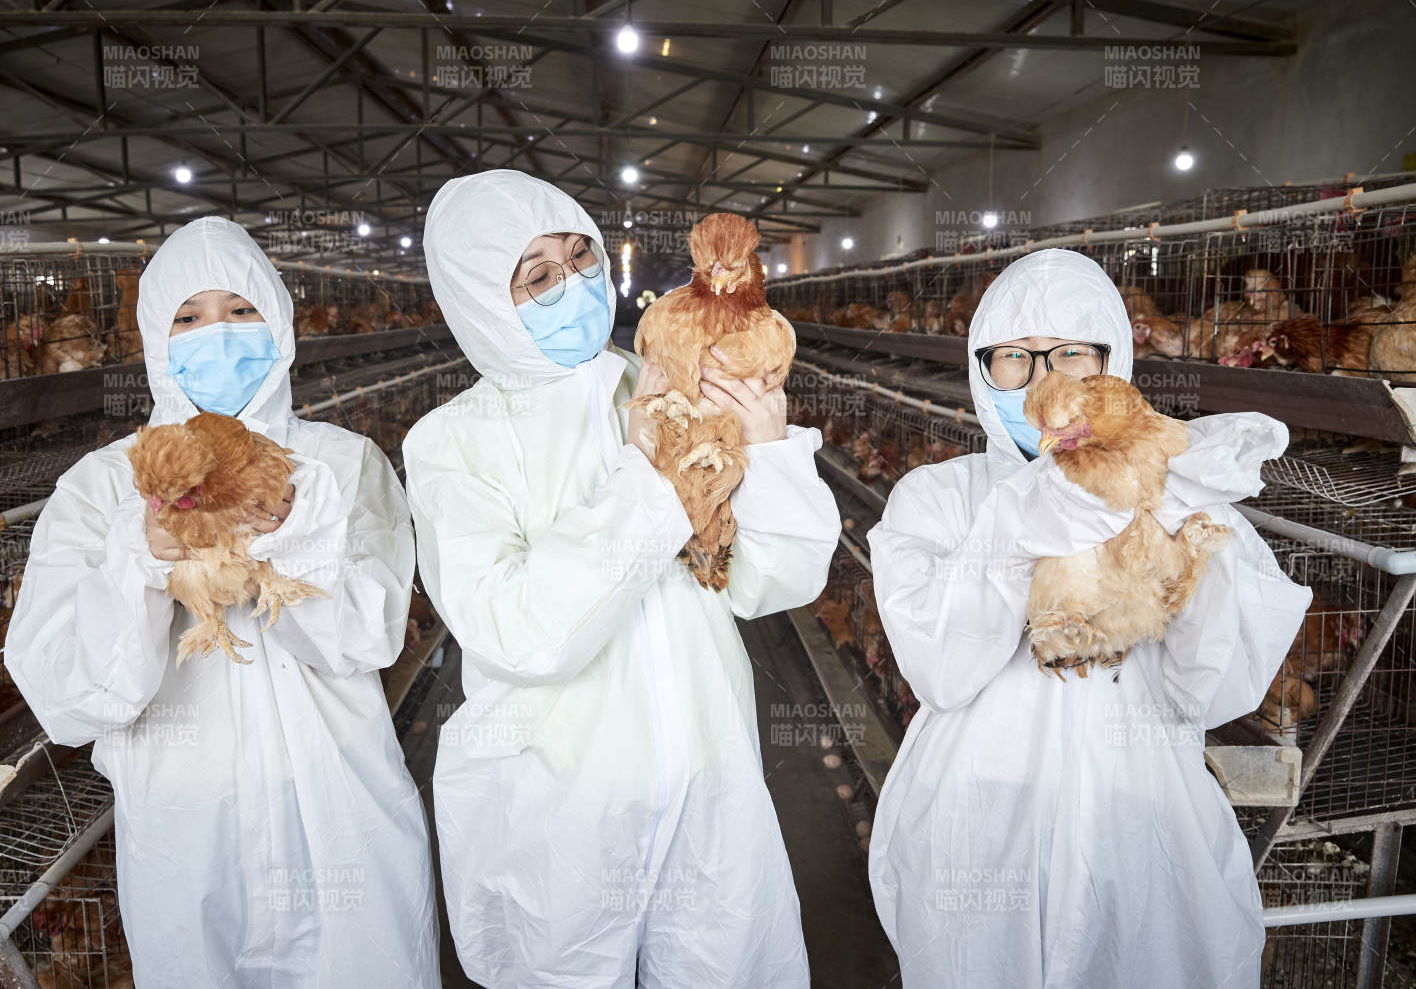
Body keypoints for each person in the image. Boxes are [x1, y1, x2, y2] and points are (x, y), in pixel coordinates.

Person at [402, 168, 841, 987]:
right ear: (478, 299)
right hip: (555, 811)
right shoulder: (449, 444)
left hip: (711, 779)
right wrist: (649, 477)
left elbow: (773, 582)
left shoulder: (665, 379)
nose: (573, 283)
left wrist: (773, 452)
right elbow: (523, 630)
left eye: (581, 255)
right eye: (537, 275)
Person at [5, 216, 440, 988]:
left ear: (278, 322)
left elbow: (369, 633)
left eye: (242, 311)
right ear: (154, 339)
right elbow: (68, 694)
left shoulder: (341, 463)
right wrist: (137, 559)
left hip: (340, 804)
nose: (220, 334)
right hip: (185, 827)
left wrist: (289, 535)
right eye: (189, 318)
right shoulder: (105, 486)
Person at [865, 248, 1312, 987]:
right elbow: (944, 670)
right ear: (982, 370)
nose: (1046, 380)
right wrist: (1019, 524)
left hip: (1139, 805)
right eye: (1015, 356)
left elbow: (1212, 691)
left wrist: (1192, 538)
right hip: (981, 807)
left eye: (1072, 352)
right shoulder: (940, 496)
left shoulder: (1166, 484)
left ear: (1115, 359)